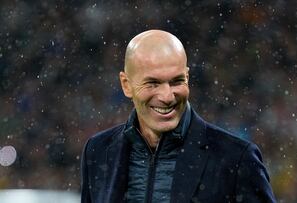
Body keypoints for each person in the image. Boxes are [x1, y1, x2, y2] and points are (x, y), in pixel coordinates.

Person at [80, 29, 276, 203]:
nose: (167, 96)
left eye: (176, 81)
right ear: (126, 84)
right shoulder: (98, 151)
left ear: (187, 77)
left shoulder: (235, 158)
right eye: (153, 83)